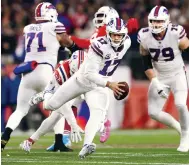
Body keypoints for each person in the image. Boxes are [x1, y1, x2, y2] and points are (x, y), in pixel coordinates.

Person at [46, 6, 139, 151]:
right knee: (72, 103)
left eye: (104, 17)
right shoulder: (106, 34)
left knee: (91, 106)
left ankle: (99, 126)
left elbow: (88, 44)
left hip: (99, 76)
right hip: (88, 72)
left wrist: (71, 39)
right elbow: (132, 25)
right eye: (99, 17)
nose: (101, 20)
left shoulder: (113, 34)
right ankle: (67, 136)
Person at [1, 2, 82, 151]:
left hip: (28, 72)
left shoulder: (28, 28)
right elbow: (65, 42)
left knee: (20, 110)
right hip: (45, 71)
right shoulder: (55, 26)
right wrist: (75, 48)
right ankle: (59, 141)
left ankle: (5, 136)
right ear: (50, 13)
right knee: (58, 106)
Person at [138, 5, 189, 152]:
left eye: (159, 21)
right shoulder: (144, 35)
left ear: (167, 21)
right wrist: (155, 82)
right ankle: (180, 127)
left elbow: (186, 46)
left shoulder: (175, 32)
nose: (156, 24)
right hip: (159, 76)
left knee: (180, 104)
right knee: (153, 112)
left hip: (177, 73)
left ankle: (185, 137)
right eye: (153, 21)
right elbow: (146, 62)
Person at [20, 50, 86, 152]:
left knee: (58, 115)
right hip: (53, 92)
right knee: (56, 115)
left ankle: (29, 141)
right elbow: (64, 106)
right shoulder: (63, 72)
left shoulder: (86, 69)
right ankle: (43, 95)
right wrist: (74, 125)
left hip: (68, 89)